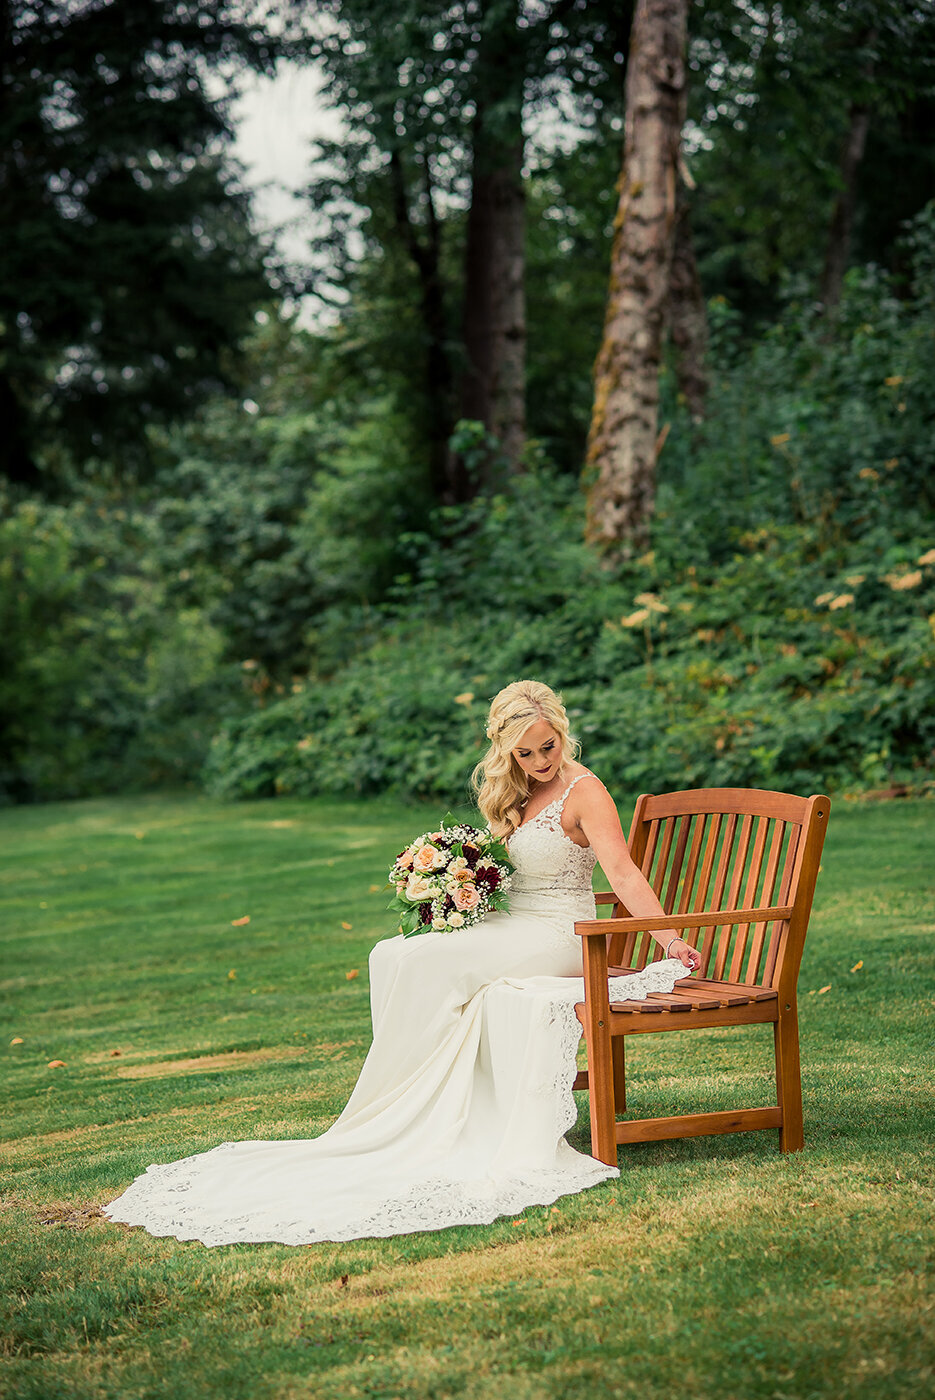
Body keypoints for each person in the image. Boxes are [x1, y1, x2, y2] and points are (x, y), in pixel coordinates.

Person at [101, 680, 700, 1246]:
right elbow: (501, 870)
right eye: (526, 752)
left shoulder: (585, 791)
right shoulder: (510, 790)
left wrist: (669, 939)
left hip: (559, 932)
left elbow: (621, 873)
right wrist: (453, 886)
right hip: (511, 922)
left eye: (549, 746)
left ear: (562, 734)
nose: (542, 761)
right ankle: (400, 1110)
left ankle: (424, 1119)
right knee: (392, 953)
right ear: (504, 749)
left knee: (429, 967)